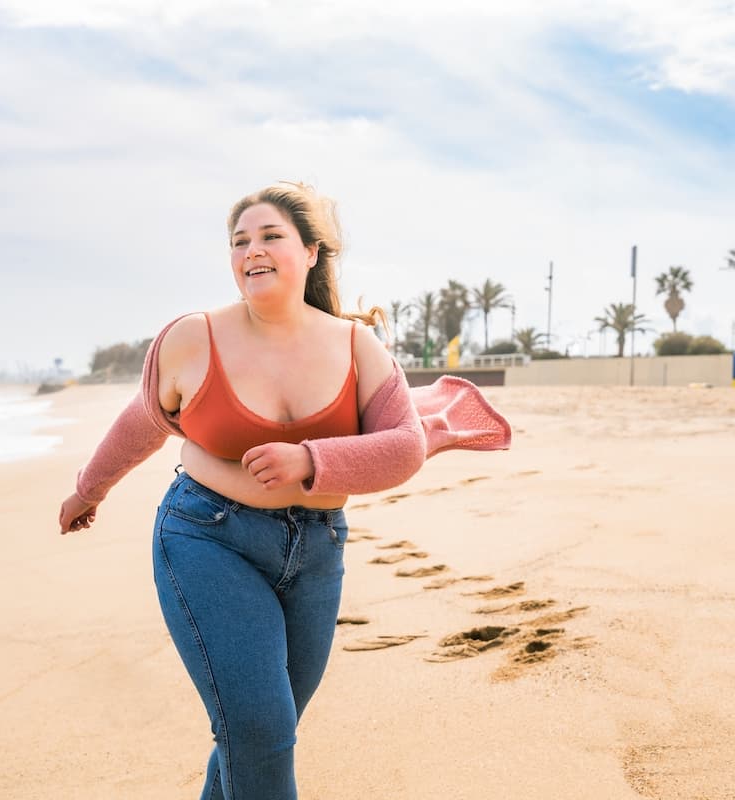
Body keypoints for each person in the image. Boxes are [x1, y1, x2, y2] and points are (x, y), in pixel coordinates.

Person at [58, 182, 510, 800]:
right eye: (240, 240)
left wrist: (308, 460)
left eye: (271, 236)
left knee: (260, 735)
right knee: (261, 731)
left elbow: (404, 447)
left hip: (317, 553)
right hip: (206, 537)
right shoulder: (193, 338)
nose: (253, 250)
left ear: (312, 252)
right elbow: (145, 420)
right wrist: (90, 489)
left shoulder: (356, 346)